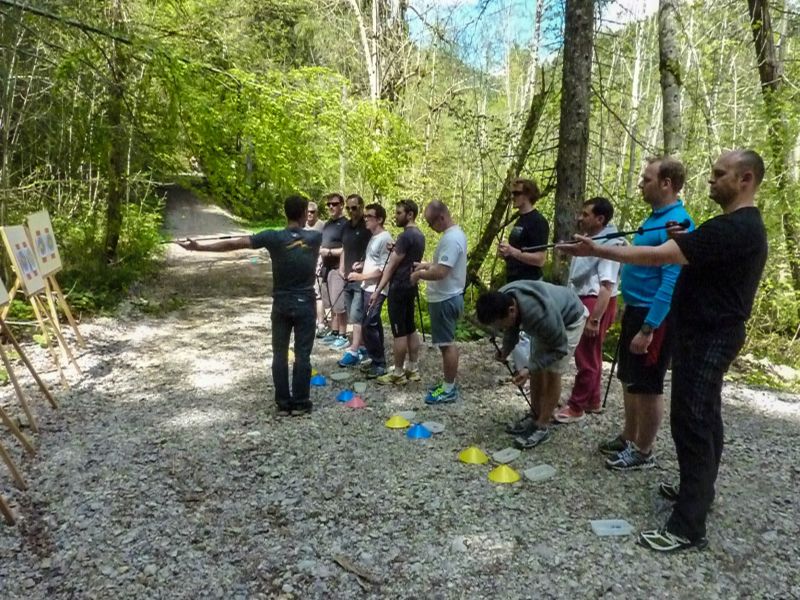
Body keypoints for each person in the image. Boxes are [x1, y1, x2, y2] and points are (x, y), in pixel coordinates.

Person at [558, 149, 768, 552]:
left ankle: (688, 526)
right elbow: (695, 255)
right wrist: (683, 241)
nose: (710, 180)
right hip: (701, 333)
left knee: (691, 419)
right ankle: (699, 492)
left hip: (710, 335)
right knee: (705, 416)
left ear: (745, 180)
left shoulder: (738, 227)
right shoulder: (727, 226)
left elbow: (660, 259)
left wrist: (597, 250)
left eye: (720, 174)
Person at [179, 195, 321, 416]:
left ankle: (283, 403)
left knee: (280, 353)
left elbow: (235, 243)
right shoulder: (315, 238)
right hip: (305, 303)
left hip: (281, 304)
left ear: (285, 213)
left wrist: (198, 247)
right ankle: (301, 403)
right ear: (305, 213)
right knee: (302, 354)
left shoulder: (272, 237)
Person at [600, 157, 694, 472]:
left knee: (648, 384)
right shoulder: (655, 219)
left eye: (647, 179)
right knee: (629, 378)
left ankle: (644, 450)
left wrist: (650, 326)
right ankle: (629, 436)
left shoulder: (678, 223)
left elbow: (672, 278)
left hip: (654, 317)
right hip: (636, 309)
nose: (641, 184)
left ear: (666, 183)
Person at [476, 280, 587, 448]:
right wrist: (505, 350)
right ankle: (535, 415)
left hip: (570, 320)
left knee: (552, 371)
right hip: (549, 322)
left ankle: (543, 425)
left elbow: (559, 349)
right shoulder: (503, 298)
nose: (498, 328)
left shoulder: (539, 314)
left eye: (498, 324)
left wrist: (529, 369)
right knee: (536, 366)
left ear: (511, 311)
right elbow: (511, 329)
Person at [555, 197, 623, 423]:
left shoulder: (610, 244)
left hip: (595, 302)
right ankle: (592, 400)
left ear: (600, 219)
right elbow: (583, 253)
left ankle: (576, 406)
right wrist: (566, 248)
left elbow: (606, 285)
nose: (580, 218)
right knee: (591, 354)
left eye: (585, 214)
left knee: (586, 357)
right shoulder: (595, 239)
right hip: (586, 300)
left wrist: (594, 319)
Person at [411, 200, 467, 404]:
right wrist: (425, 265)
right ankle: (447, 384)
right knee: (446, 344)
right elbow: (443, 263)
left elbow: (442, 272)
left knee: (447, 345)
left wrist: (419, 275)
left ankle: (449, 388)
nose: (430, 227)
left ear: (441, 217)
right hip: (445, 297)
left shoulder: (452, 239)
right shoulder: (452, 236)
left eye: (430, 222)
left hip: (446, 298)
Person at [498, 178, 550, 391]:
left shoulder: (538, 222)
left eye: (517, 193)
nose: (514, 197)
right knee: (514, 327)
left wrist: (514, 252)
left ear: (529, 195)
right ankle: (522, 373)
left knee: (526, 331)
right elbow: (517, 252)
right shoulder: (519, 221)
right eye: (512, 194)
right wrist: (507, 254)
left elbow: (540, 259)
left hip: (529, 283)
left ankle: (529, 376)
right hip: (514, 280)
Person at [372, 199, 426, 386]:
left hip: (399, 286)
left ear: (410, 214)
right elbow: (406, 257)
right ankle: (413, 368)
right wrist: (396, 249)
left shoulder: (405, 237)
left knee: (399, 332)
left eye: (398, 213)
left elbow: (391, 266)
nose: (395, 216)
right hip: (411, 285)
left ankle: (398, 372)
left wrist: (377, 290)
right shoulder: (419, 235)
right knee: (410, 327)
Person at [347, 204, 392, 378]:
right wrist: (361, 266)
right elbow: (373, 261)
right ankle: (376, 360)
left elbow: (382, 270)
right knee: (373, 323)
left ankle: (379, 363)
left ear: (379, 219)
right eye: (365, 216)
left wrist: (360, 277)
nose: (365, 219)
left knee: (369, 324)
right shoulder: (374, 237)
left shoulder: (385, 238)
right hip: (369, 287)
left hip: (377, 289)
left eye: (369, 216)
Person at [337, 194, 372, 364]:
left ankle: (353, 350)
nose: (351, 211)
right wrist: (342, 266)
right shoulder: (345, 227)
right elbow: (344, 247)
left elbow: (376, 254)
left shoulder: (368, 228)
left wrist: (364, 264)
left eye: (355, 208)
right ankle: (363, 346)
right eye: (348, 208)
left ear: (361, 207)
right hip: (347, 278)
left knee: (357, 315)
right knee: (352, 313)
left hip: (362, 279)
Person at [319, 193, 347, 343]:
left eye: (335, 204)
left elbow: (346, 248)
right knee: (328, 302)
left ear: (341, 205)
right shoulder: (327, 224)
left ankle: (343, 334)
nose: (331, 207)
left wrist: (329, 252)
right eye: (329, 204)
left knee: (339, 304)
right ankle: (334, 331)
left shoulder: (345, 224)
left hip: (337, 268)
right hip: (325, 267)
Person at [305, 201, 326, 332]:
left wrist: (321, 262)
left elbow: (325, 245)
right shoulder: (302, 225)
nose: (310, 214)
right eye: (307, 212)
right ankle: (308, 320)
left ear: (316, 212)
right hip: (304, 263)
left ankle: (321, 323)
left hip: (318, 262)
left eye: (312, 212)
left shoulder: (322, 226)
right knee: (307, 292)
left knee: (318, 294)